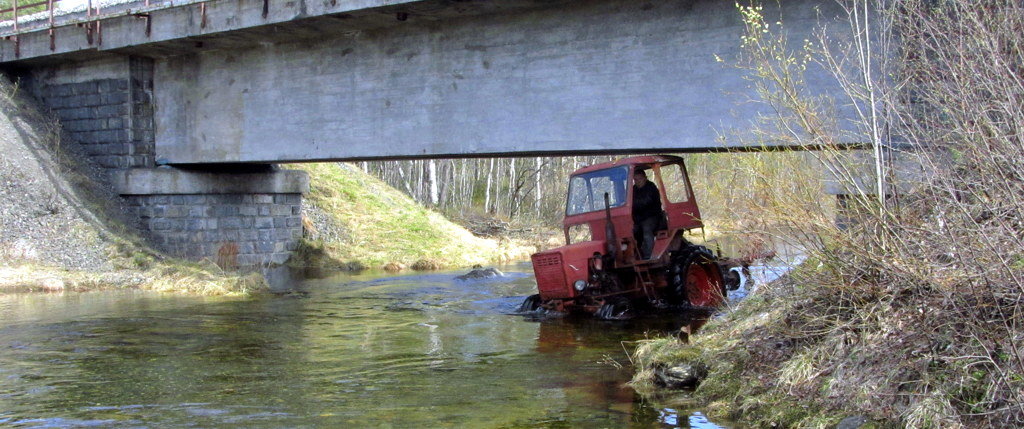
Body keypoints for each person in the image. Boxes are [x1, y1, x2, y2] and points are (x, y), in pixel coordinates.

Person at [632, 169, 662, 259]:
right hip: (639, 217)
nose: (638, 182)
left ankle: (649, 256)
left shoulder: (651, 187)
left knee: (646, 229)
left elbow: (646, 201)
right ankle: (635, 255)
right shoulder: (633, 190)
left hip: (652, 216)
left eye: (640, 179)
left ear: (645, 178)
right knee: (631, 231)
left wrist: (632, 204)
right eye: (635, 180)